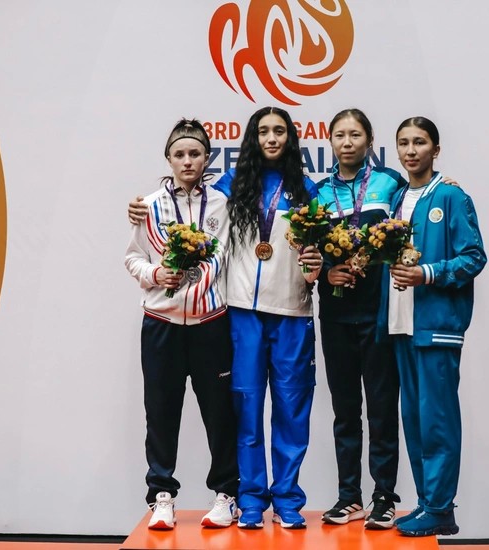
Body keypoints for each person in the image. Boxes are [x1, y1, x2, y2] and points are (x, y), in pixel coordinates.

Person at [124, 118, 238, 530]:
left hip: (211, 322)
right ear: (168, 159)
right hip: (161, 323)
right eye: (180, 154)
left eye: (195, 153)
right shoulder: (149, 205)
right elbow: (132, 257)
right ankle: (162, 497)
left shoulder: (224, 204)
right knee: (161, 411)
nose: (187, 161)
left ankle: (226, 495)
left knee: (220, 412)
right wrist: (156, 274)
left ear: (207, 158)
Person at [378, 116, 487, 537]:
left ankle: (441, 507)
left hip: (435, 326)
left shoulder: (451, 196)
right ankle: (428, 504)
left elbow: (473, 257)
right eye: (403, 143)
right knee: (415, 420)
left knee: (437, 421)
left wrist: (427, 273)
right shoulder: (396, 198)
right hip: (400, 325)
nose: (410, 150)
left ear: (435, 150)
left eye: (420, 142)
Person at [217, 106, 322, 530]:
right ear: (253, 138)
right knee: (245, 408)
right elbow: (194, 211)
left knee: (292, 410)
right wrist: (146, 206)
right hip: (243, 313)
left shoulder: (306, 190)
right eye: (264, 131)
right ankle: (251, 498)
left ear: (290, 139)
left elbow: (324, 245)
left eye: (279, 131)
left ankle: (288, 498)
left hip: (292, 311)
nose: (272, 138)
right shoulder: (230, 185)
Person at [314, 109, 403, 529]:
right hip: (335, 314)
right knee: (345, 409)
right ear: (330, 141)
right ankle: (349, 496)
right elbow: (307, 253)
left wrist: (449, 183)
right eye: (339, 135)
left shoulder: (390, 183)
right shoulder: (318, 192)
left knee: (382, 408)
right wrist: (326, 272)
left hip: (378, 313)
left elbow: (419, 204)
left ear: (369, 140)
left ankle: (383, 496)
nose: (347, 142)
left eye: (355, 135)